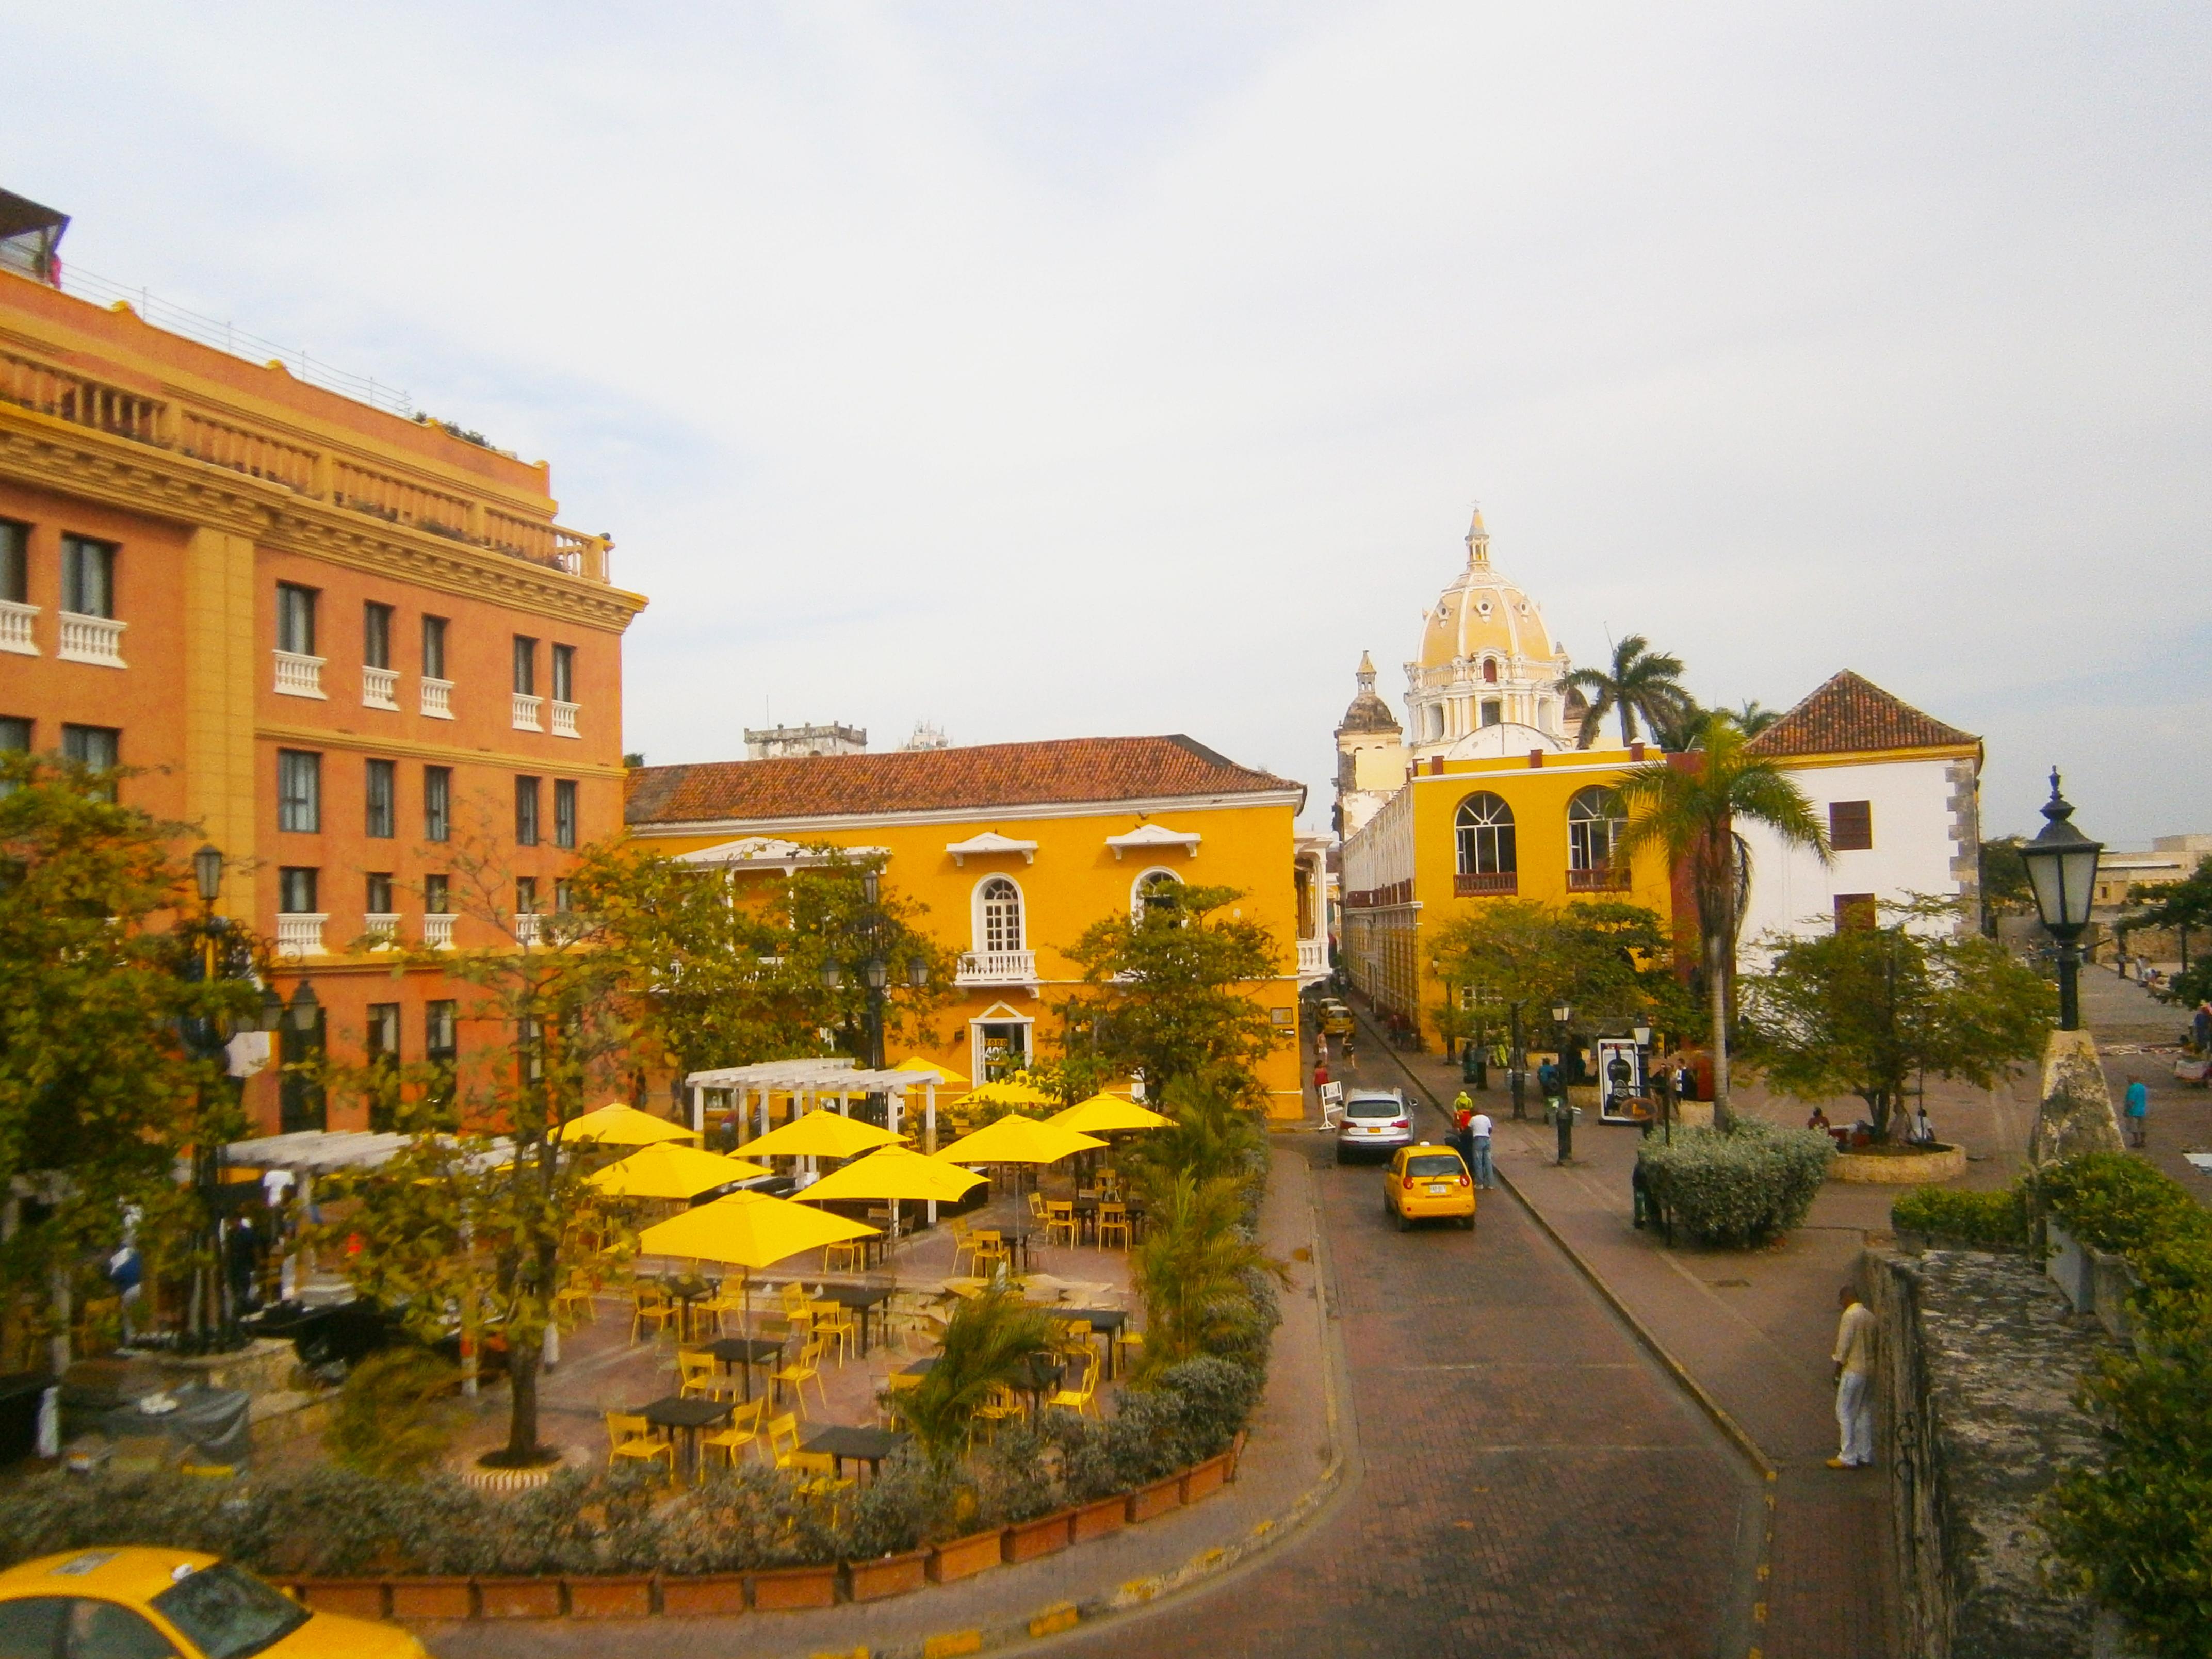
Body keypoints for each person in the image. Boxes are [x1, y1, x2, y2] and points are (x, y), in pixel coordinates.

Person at [1829, 1284, 1877, 1469]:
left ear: (1847, 1298)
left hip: (1853, 1369)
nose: (1841, 1304)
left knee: (1845, 1411)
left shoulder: (1849, 1316)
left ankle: (1847, 1455)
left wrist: (1838, 1368)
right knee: (1863, 1411)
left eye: (1841, 1300)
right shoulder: (1870, 1316)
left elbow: (1844, 1346)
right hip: (1869, 1369)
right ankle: (1865, 1453)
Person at [1468, 1107, 1494, 1188]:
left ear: (1472, 1113)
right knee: (1488, 1162)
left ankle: (1480, 1183)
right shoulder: (1486, 1118)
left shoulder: (1473, 1119)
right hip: (1487, 1140)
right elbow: (1490, 1129)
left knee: (1478, 1162)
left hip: (1478, 1140)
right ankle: (1491, 1184)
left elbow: (1468, 1129)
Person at [2124, 1076, 2150, 1149]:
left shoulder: (2132, 1088)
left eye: (2129, 1080)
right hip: (2142, 1110)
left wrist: (2126, 1110)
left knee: (2134, 1128)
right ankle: (2143, 1141)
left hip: (2133, 1111)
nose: (2128, 1081)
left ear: (2132, 1080)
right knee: (2143, 1127)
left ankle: (2137, 1141)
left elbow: (2131, 1101)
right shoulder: (2142, 1087)